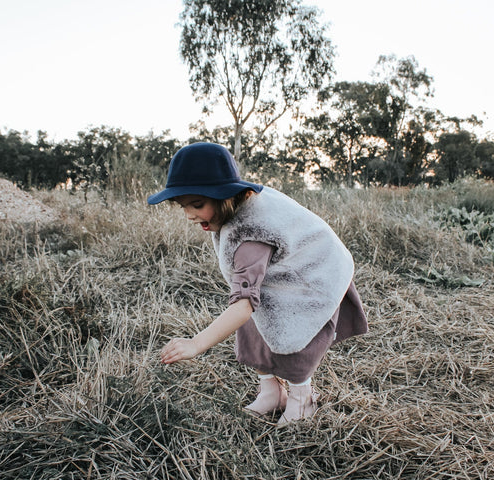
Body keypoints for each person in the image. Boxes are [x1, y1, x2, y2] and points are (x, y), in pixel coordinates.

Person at [148, 142, 368, 425]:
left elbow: (242, 306)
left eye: (197, 204)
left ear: (225, 196)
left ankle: (303, 399)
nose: (189, 215)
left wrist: (196, 344)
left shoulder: (252, 235)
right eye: (183, 206)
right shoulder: (238, 209)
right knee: (256, 327)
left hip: (310, 275)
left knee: (291, 333)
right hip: (282, 269)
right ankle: (272, 392)